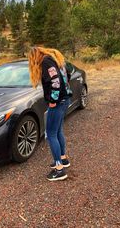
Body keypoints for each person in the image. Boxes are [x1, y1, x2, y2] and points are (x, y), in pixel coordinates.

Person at [28, 46, 72, 181]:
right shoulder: (55, 59)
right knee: (58, 131)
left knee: (51, 134)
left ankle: (59, 170)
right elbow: (68, 73)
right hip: (65, 99)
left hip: (58, 102)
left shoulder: (46, 62)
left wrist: (53, 100)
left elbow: (55, 81)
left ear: (35, 56)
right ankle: (63, 159)